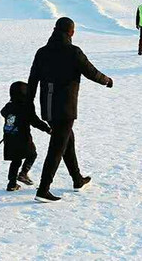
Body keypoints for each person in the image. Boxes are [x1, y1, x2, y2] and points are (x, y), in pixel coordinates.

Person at [28, 17, 113, 203]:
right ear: (71, 32)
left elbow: (32, 80)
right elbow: (91, 72)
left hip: (48, 108)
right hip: (65, 109)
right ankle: (43, 190)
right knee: (57, 148)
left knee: (67, 140)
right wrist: (107, 80)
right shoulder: (73, 52)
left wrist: (28, 104)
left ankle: (77, 179)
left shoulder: (42, 52)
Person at [2, 81, 51, 191]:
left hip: (9, 136)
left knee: (16, 160)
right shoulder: (26, 106)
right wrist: (47, 129)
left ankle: (12, 183)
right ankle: (23, 173)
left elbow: (3, 112)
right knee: (32, 154)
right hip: (22, 137)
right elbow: (35, 121)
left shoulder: (9, 105)